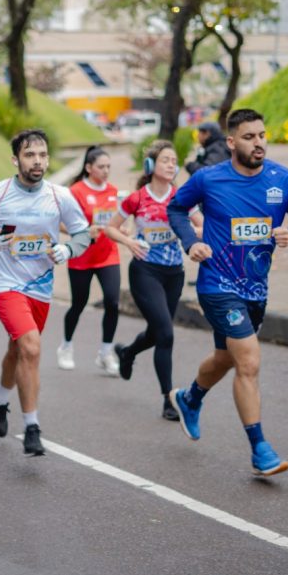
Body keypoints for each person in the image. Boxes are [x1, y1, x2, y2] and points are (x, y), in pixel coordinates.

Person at [165, 108, 288, 476]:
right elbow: (176, 208)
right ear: (231, 142)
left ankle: (189, 398)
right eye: (249, 137)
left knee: (225, 357)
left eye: (262, 135)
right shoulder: (208, 179)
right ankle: (260, 449)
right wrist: (190, 244)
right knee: (248, 360)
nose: (258, 142)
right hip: (217, 283)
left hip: (256, 288)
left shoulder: (283, 178)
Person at [0, 129, 91, 456]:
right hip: (3, 284)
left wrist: (69, 250)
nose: (37, 161)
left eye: (43, 155)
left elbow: (82, 232)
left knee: (19, 348)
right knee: (31, 346)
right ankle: (32, 426)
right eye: (30, 155)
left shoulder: (59, 195)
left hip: (40, 286)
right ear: (15, 159)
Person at [107, 140, 203, 421]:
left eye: (174, 161)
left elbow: (200, 223)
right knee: (166, 334)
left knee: (158, 332)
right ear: (150, 166)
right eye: (166, 160)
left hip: (174, 273)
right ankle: (169, 400)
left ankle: (127, 352)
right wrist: (128, 241)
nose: (172, 165)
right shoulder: (137, 198)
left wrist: (198, 230)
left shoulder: (181, 198)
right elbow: (112, 229)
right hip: (145, 271)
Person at [57, 146, 121, 374]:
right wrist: (83, 232)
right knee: (78, 304)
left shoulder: (114, 191)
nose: (106, 171)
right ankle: (65, 346)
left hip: (108, 254)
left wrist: (128, 234)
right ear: (88, 168)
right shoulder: (76, 191)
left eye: (108, 167)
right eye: (101, 167)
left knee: (113, 302)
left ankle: (105, 352)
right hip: (82, 255)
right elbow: (60, 222)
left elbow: (120, 221)